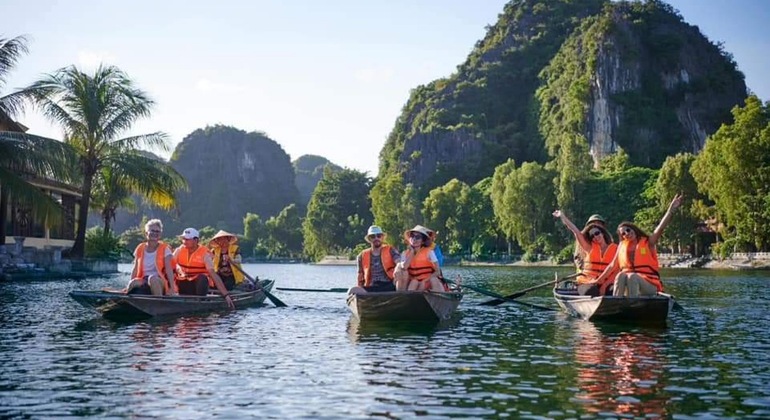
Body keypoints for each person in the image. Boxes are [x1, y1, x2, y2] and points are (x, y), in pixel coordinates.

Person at [595, 194, 684, 297]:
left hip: (649, 285)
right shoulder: (622, 246)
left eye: (628, 230)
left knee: (632, 276)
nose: (626, 234)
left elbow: (660, 228)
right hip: (629, 285)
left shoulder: (648, 242)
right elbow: (611, 266)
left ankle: (633, 306)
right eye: (623, 234)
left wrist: (670, 210)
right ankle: (617, 304)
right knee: (620, 275)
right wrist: (598, 281)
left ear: (633, 229)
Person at [554, 210, 617, 296]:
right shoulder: (589, 247)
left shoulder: (615, 248)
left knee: (613, 291)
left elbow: (616, 270)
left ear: (602, 232)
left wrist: (604, 286)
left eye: (597, 233)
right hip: (587, 281)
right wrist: (562, 216)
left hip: (605, 282)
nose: (595, 236)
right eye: (592, 236)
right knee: (592, 291)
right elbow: (575, 231)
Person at [173, 227, 235, 309]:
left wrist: (226, 295)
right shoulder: (179, 250)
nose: (184, 242)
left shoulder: (204, 254)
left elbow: (213, 275)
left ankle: (200, 302)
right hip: (184, 285)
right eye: (183, 239)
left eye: (187, 239)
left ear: (196, 240)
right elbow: (168, 266)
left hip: (198, 287)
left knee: (202, 278)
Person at [126, 219, 177, 296]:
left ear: (160, 234)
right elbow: (135, 269)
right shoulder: (140, 248)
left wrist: (172, 288)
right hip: (144, 279)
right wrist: (131, 281)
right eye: (152, 231)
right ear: (146, 233)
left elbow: (169, 269)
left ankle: (159, 303)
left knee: (153, 279)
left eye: (157, 231)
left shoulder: (165, 249)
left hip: (159, 280)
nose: (154, 233)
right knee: (133, 283)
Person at [349, 225, 401, 294]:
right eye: (373, 236)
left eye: (379, 236)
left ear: (382, 237)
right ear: (369, 239)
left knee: (402, 272)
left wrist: (398, 266)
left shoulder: (391, 250)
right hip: (372, 287)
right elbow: (360, 275)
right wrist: (360, 288)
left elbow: (399, 262)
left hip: (389, 284)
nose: (376, 238)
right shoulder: (361, 255)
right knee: (352, 290)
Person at [394, 225, 442, 292]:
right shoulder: (405, 253)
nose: (414, 239)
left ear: (422, 241)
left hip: (427, 280)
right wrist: (412, 253)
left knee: (433, 280)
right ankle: (402, 297)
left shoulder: (430, 252)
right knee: (408, 277)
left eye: (418, 237)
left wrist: (424, 281)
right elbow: (404, 267)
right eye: (412, 236)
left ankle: (436, 299)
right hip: (414, 281)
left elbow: (437, 272)